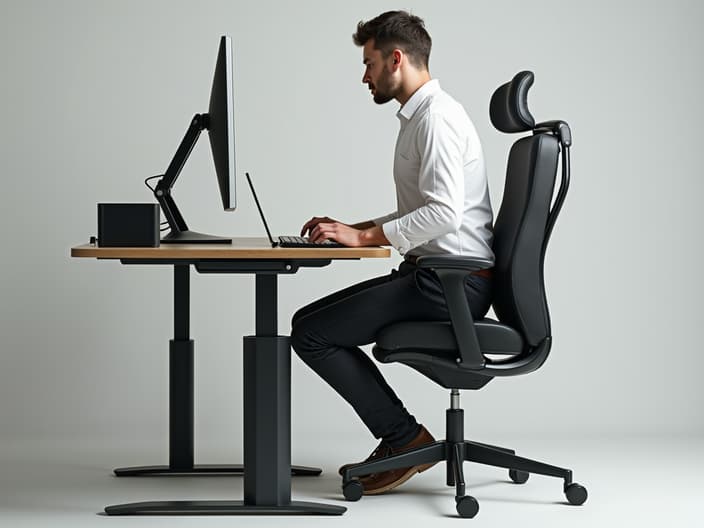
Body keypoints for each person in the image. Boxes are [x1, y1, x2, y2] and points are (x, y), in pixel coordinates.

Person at [290, 10, 494, 495]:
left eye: (369, 63)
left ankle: (403, 439)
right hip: (438, 276)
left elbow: (443, 213)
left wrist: (363, 240)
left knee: (311, 333)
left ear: (396, 59)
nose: (365, 75)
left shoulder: (437, 119)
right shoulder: (424, 116)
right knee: (308, 324)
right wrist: (355, 227)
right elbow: (427, 209)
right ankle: (402, 438)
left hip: (450, 285)